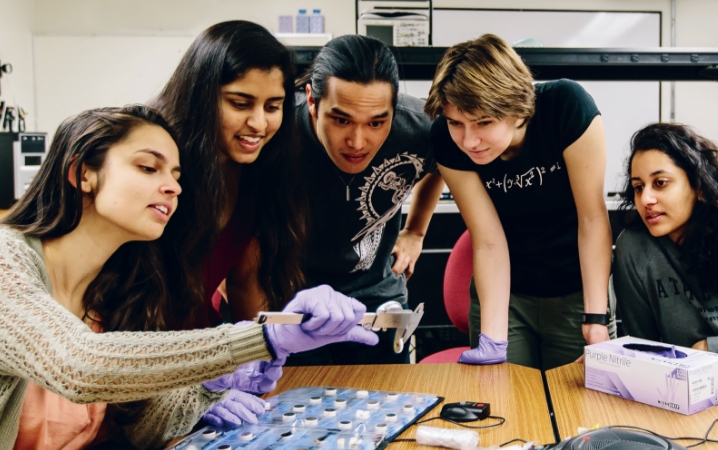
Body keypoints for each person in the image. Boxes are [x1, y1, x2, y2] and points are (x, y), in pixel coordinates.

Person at [0, 105, 378, 450]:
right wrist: (258, 339)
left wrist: (208, 387)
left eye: (175, 175)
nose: (173, 187)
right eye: (148, 168)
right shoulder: (7, 261)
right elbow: (79, 366)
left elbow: (140, 429)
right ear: (83, 173)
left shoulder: (117, 290)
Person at [227, 34, 445, 365]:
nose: (357, 141)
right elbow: (245, 272)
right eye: (341, 119)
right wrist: (254, 356)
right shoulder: (275, 135)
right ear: (312, 101)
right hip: (291, 300)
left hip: (376, 298)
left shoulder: (418, 125)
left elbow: (440, 163)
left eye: (376, 122)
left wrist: (415, 231)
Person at [424, 34, 612, 369]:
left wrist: (596, 318)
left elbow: (593, 219)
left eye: (483, 122)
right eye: (456, 123)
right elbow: (489, 241)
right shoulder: (446, 139)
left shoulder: (566, 107)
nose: (469, 140)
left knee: (577, 409)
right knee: (502, 402)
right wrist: (494, 339)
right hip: (505, 296)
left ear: (516, 109)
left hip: (575, 290)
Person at [151, 20, 307, 328]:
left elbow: (246, 281)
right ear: (201, 95)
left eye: (273, 107)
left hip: (202, 350)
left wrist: (264, 361)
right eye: (240, 104)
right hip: (132, 350)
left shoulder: (259, 175)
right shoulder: (155, 163)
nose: (259, 124)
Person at [613, 123, 718, 364]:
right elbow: (642, 354)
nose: (645, 199)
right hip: (683, 389)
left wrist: (711, 348)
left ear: (699, 185)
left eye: (660, 182)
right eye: (638, 187)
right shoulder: (633, 249)